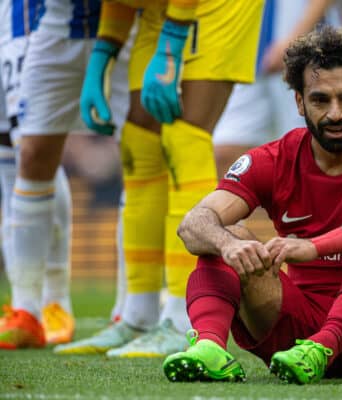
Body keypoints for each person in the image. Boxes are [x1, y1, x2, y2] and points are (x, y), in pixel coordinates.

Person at [162, 26, 342, 385]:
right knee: (223, 235)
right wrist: (229, 246)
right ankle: (210, 348)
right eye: (321, 100)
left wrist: (314, 246)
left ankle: (325, 346)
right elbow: (194, 223)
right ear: (299, 101)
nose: (335, 113)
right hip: (296, 340)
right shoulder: (274, 159)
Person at [55, 0, 264, 357]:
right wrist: (104, 53)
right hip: (159, 9)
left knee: (185, 137)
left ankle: (185, 316)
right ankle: (137, 315)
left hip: (217, 7)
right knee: (140, 144)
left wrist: (170, 46)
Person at [0, 0, 130, 350]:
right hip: (24, 24)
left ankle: (123, 308)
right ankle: (27, 308)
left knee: (139, 156)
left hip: (117, 22)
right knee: (21, 154)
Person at [213, 0, 342, 178]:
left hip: (309, 50)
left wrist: (296, 40)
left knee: (310, 156)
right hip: (246, 42)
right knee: (227, 153)